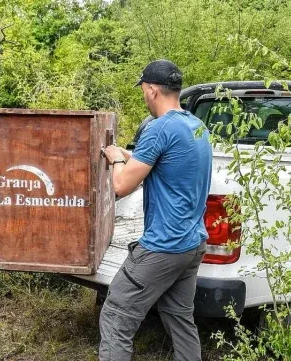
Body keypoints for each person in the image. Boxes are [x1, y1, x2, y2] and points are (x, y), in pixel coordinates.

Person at [99, 60, 212, 361]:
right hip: (192, 244)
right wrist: (127, 154)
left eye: (143, 91)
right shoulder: (195, 125)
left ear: (151, 90)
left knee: (115, 316)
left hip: (162, 248)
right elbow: (162, 160)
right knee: (179, 317)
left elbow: (121, 185)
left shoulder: (158, 128)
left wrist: (114, 159)